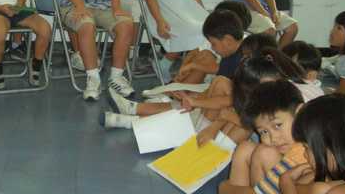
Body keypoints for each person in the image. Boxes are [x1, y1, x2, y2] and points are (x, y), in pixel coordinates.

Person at [100, 9, 245, 129]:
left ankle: (132, 120)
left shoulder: (245, 61)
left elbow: (233, 100)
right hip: (221, 107)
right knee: (186, 104)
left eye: (214, 44)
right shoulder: (229, 55)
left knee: (186, 109)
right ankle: (133, 111)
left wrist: (197, 101)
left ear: (228, 40)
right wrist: (195, 98)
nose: (213, 48)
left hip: (230, 115)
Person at [213, 81, 315, 194]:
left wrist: (224, 188)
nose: (274, 138)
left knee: (265, 152)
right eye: (264, 132)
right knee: (245, 148)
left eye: (277, 125)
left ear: (299, 112)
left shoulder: (304, 149)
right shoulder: (297, 141)